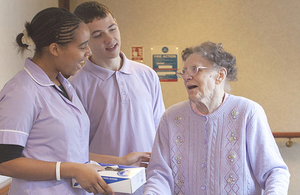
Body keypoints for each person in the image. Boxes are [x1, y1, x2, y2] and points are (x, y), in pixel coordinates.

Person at [0, 7, 149, 195]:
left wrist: (120, 161)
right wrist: (73, 170)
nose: (88, 52)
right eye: (82, 46)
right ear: (55, 49)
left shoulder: (64, 86)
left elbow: (71, 153)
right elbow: (4, 162)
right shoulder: (21, 91)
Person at [143, 41, 290, 195]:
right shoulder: (171, 117)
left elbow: (274, 172)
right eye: (184, 71)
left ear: (220, 75)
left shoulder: (248, 112)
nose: (186, 76)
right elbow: (159, 174)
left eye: (194, 69)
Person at [70, 1, 164, 172]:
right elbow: (73, 149)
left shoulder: (147, 74)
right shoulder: (75, 86)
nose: (109, 39)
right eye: (98, 35)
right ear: (83, 40)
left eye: (112, 29)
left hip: (150, 181)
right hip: (104, 184)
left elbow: (160, 129)